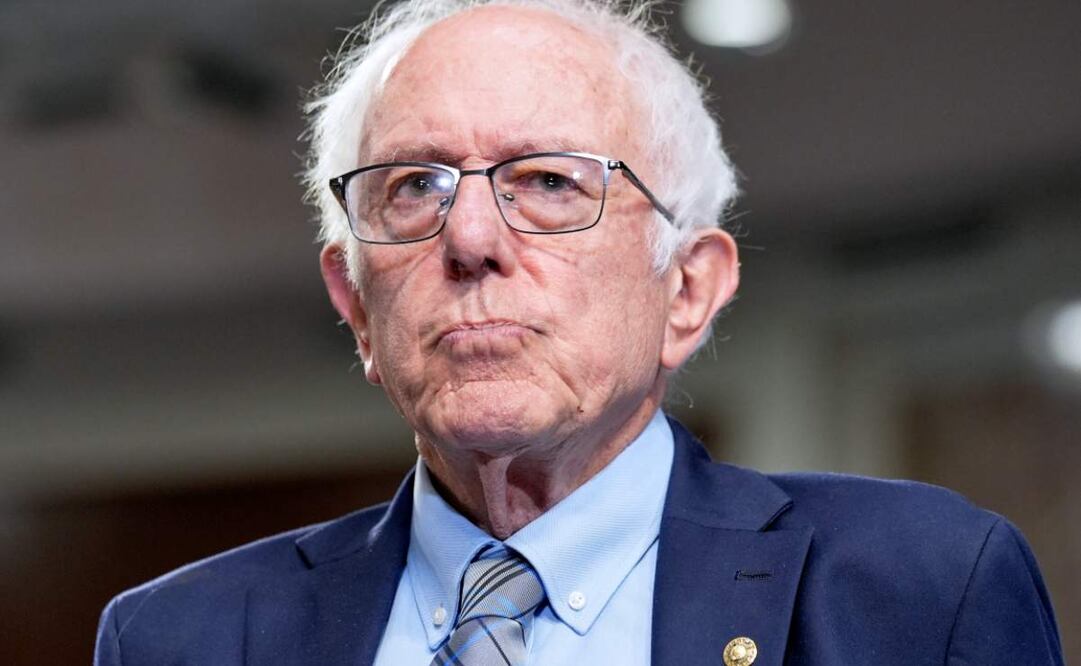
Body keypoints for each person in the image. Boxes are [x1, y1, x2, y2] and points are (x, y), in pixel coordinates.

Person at [95, 1, 1064, 664]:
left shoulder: (916, 589)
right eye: (413, 187)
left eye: (549, 183)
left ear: (687, 290)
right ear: (354, 303)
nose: (470, 238)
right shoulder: (186, 638)